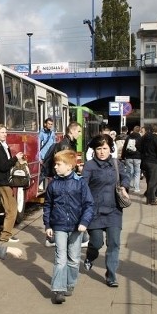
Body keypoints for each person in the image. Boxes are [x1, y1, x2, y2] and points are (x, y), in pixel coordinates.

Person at [43, 149, 94, 304]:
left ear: (69, 166)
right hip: (58, 225)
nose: (56, 167)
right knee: (60, 258)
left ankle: (70, 284)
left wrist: (84, 223)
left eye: (59, 164)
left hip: (76, 226)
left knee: (73, 258)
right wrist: (48, 225)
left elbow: (89, 205)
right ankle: (58, 289)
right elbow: (48, 205)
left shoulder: (80, 184)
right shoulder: (53, 185)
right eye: (55, 164)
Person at [82, 134, 130, 288]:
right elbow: (83, 185)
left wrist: (124, 186)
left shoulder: (116, 164)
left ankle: (111, 275)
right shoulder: (89, 166)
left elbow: (125, 176)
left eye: (105, 148)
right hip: (94, 212)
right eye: (98, 149)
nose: (102, 152)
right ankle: (90, 255)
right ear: (94, 150)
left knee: (114, 243)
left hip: (114, 210)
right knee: (97, 242)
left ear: (111, 149)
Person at [0, 124, 25, 242]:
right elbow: (3, 166)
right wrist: (15, 158)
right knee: (12, 209)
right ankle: (5, 235)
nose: (5, 134)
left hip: (3, 180)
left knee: (4, 206)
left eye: (5, 132)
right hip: (2, 181)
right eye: (2, 132)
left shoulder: (2, 145)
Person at [122, 125, 143, 193]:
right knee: (137, 173)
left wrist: (123, 156)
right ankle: (136, 188)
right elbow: (141, 148)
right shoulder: (140, 138)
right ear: (139, 130)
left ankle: (128, 186)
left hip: (128, 157)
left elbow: (124, 147)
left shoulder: (128, 137)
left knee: (129, 172)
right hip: (137, 157)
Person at [38, 117, 56, 183]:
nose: (50, 125)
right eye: (49, 124)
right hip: (43, 157)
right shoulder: (41, 133)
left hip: (50, 156)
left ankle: (50, 189)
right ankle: (37, 187)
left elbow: (54, 144)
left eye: (51, 124)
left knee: (51, 175)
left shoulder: (52, 133)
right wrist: (39, 158)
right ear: (45, 124)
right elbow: (38, 146)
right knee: (43, 174)